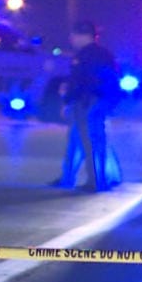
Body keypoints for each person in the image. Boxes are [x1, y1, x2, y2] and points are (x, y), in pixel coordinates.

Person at [50, 20, 120, 191]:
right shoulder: (104, 54)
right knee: (77, 140)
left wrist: (68, 100)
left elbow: (80, 81)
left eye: (74, 35)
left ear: (84, 35)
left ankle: (96, 181)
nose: (71, 38)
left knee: (90, 141)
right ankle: (69, 177)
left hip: (88, 101)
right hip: (97, 100)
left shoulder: (85, 56)